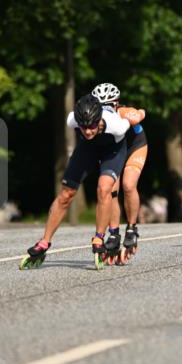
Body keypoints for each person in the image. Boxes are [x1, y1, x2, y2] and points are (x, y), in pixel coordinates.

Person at [20, 93, 131, 270]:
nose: (87, 131)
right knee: (66, 194)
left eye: (92, 126)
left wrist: (137, 113)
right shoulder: (72, 119)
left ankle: (98, 237)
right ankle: (44, 242)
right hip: (87, 149)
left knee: (104, 189)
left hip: (113, 151)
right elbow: (84, 131)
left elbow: (133, 119)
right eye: (83, 127)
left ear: (100, 120)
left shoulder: (116, 125)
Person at [92, 83, 147, 259]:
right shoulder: (94, 118)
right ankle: (114, 232)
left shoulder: (122, 111)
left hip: (135, 146)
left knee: (128, 185)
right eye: (100, 106)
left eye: (109, 105)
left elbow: (139, 114)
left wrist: (137, 114)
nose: (105, 109)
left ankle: (131, 227)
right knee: (111, 191)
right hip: (114, 150)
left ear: (116, 103)